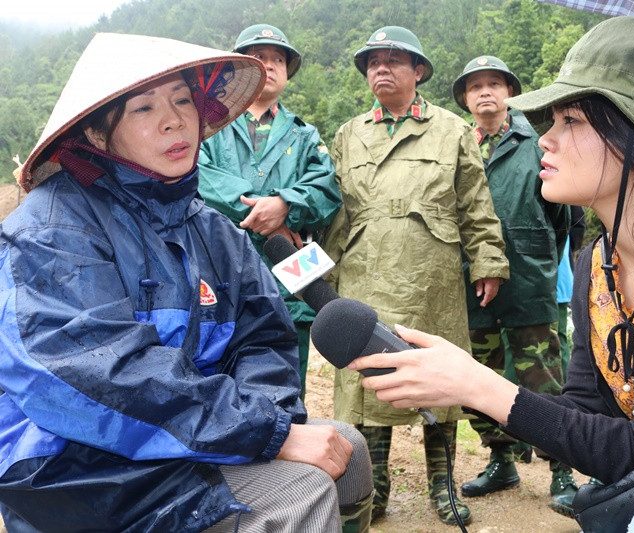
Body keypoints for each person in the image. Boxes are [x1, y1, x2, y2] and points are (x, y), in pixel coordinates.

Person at [347, 16, 634, 531]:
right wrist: (457, 383)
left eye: (571, 121)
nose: (546, 140)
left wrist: (476, 385)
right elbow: (589, 414)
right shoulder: (596, 264)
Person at [0, 33, 372, 532]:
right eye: (143, 107)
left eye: (181, 100)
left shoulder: (215, 231)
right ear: (96, 134)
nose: (173, 119)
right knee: (297, 492)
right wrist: (266, 435)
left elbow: (262, 339)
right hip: (78, 467)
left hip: (186, 436)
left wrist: (269, 423)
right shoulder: (53, 230)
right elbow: (92, 378)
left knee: (351, 451)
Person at [322, 26, 509, 525]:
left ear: (418, 71)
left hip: (433, 274)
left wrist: (489, 260)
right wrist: (324, 274)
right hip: (363, 269)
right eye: (372, 63)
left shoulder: (451, 129)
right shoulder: (348, 133)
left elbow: (475, 202)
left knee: (438, 375)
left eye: (393, 60)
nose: (380, 69)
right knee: (367, 377)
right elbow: (335, 210)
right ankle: (375, 485)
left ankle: (443, 484)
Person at [450, 55, 577, 516]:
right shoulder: (455, 144)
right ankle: (501, 458)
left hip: (529, 279)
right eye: (475, 86)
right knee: (478, 374)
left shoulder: (536, 141)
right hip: (469, 281)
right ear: (465, 98)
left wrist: (538, 255)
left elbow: (563, 218)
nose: (485, 92)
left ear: (510, 93)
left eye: (495, 84)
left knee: (543, 377)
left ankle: (562, 468)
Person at [198, 24, 340, 400]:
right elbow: (197, 176)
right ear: (239, 71)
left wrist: (287, 205)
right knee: (218, 376)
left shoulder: (305, 135)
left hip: (289, 271)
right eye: (259, 58)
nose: (270, 65)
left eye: (278, 59)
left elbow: (328, 190)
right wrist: (260, 206)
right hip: (219, 266)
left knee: (288, 380)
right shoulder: (209, 127)